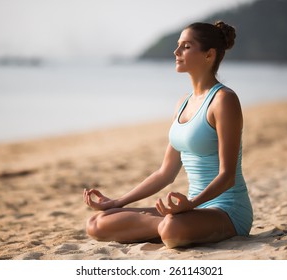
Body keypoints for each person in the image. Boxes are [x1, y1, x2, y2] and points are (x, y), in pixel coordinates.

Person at [83, 21, 253, 249]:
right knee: (96, 223)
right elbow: (165, 173)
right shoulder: (182, 103)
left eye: (186, 46)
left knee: (172, 229)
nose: (176, 52)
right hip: (188, 210)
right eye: (178, 45)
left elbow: (227, 175)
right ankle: (166, 224)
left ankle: (169, 225)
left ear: (209, 55)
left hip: (226, 210)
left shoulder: (224, 100)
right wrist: (117, 202)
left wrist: (191, 204)